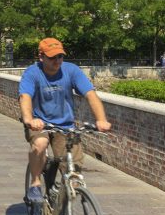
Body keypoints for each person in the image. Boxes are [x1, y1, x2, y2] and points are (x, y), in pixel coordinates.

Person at [21, 38, 111, 204]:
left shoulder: (71, 70)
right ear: (41, 57)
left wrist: (101, 120)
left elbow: (90, 95)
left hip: (66, 126)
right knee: (40, 143)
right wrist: (29, 119)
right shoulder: (32, 73)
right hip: (40, 123)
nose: (57, 61)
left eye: (60, 56)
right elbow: (25, 96)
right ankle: (35, 184)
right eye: (52, 57)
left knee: (73, 177)